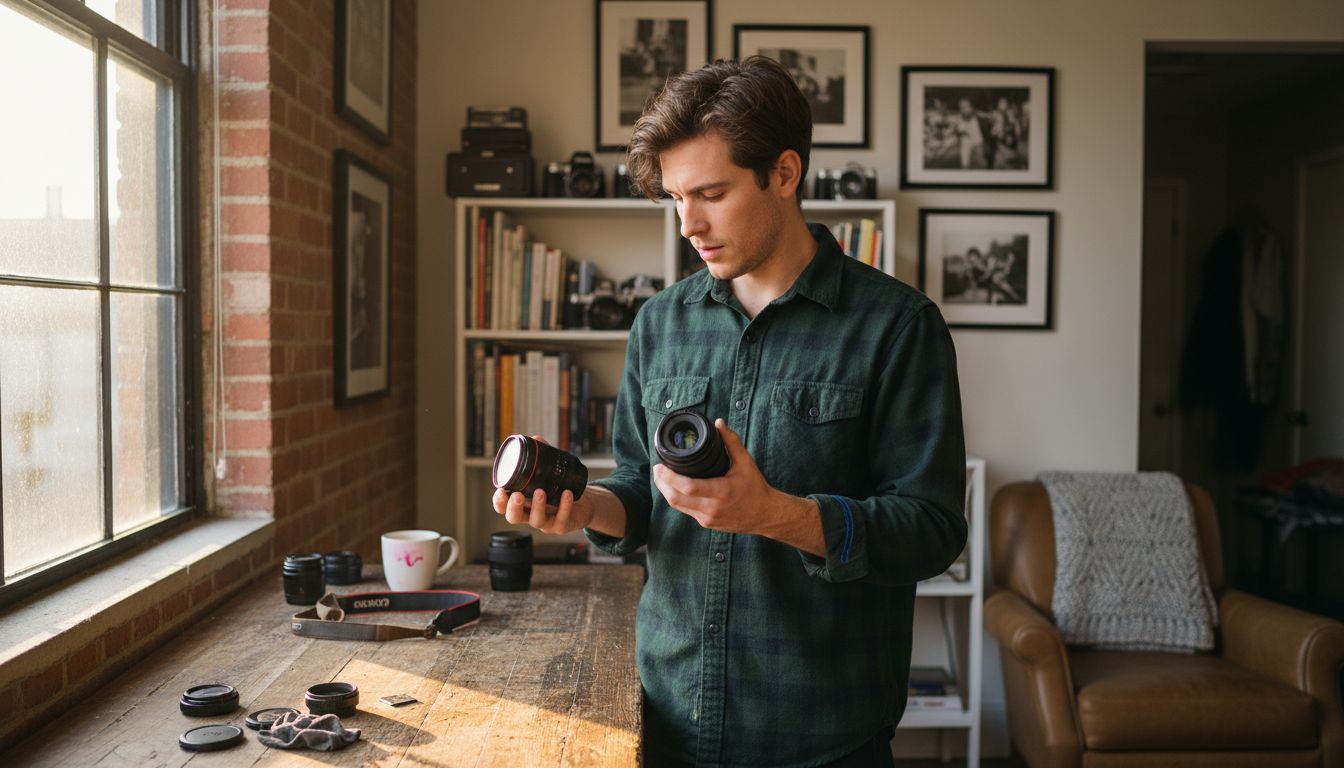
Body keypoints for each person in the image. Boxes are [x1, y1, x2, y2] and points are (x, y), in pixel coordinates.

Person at [492, 56, 966, 767]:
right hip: (667, 722)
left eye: (711, 194)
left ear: (784, 172)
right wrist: (584, 508)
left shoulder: (897, 326)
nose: (689, 224)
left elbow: (930, 531)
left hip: (824, 737)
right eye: (677, 198)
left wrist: (774, 513)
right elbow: (640, 488)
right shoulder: (659, 323)